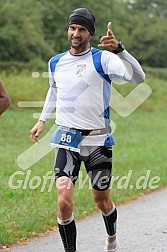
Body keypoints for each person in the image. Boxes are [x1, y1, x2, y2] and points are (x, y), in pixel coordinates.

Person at [30, 8, 145, 252]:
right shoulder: (56, 61)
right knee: (63, 202)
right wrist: (42, 120)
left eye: (82, 29)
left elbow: (138, 77)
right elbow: (54, 90)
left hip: (98, 140)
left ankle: (112, 238)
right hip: (66, 138)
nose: (76, 33)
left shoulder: (103, 59)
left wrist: (120, 50)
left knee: (101, 201)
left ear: (90, 33)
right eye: (72, 28)